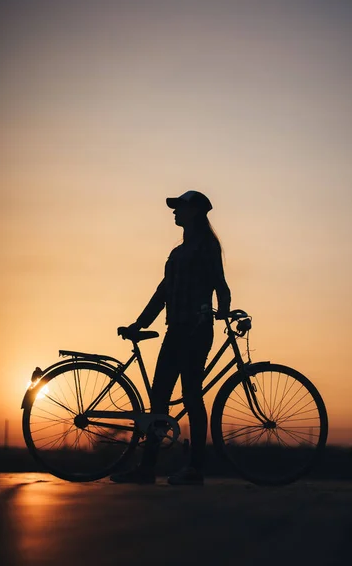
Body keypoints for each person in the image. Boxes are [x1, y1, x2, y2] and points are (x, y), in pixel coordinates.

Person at [110, 190, 231, 485]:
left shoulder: (206, 247)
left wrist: (223, 313)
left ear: (196, 213)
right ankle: (147, 468)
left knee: (191, 395)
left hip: (196, 330)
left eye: (180, 208)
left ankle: (194, 469)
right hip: (175, 330)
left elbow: (220, 285)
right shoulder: (177, 253)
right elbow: (163, 293)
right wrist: (139, 323)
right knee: (159, 399)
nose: (174, 212)